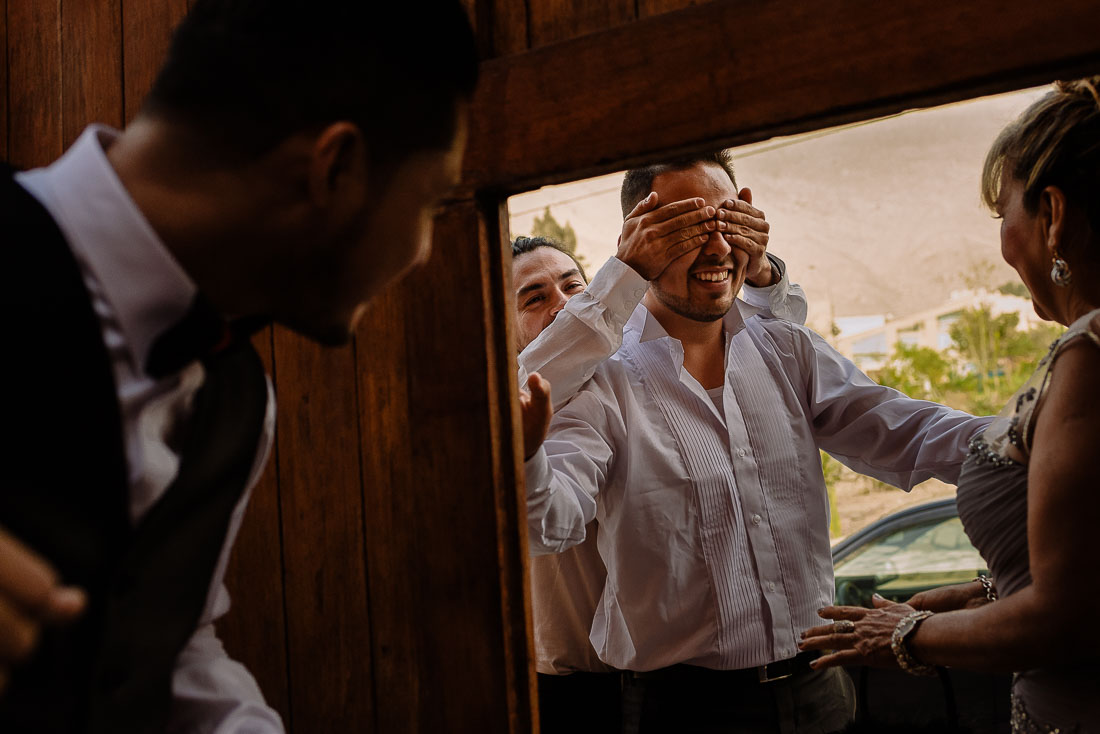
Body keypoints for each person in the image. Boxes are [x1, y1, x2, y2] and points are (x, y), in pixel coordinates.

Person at [0, 2, 477, 732]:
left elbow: (169, 639)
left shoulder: (240, 400)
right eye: (433, 205)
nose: (421, 252)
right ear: (335, 167)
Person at [520, 152, 992, 734]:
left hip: (823, 689)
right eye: (691, 228)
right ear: (640, 237)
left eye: (729, 222)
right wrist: (524, 456)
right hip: (681, 712)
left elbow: (905, 427)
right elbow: (547, 524)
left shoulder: (786, 350)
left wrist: (1027, 436)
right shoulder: (603, 383)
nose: (718, 249)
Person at [799, 77, 1100, 733]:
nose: (1004, 241)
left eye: (1005, 215)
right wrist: (978, 597)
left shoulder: (1087, 357)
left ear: (1051, 216)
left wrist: (906, 634)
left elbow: (1064, 617)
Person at [513, 176, 807, 734]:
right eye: (534, 299)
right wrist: (621, 278)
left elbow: (781, 356)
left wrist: (764, 274)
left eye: (578, 287)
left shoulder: (625, 378)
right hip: (570, 690)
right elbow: (548, 509)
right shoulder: (517, 411)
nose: (567, 308)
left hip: (657, 687)